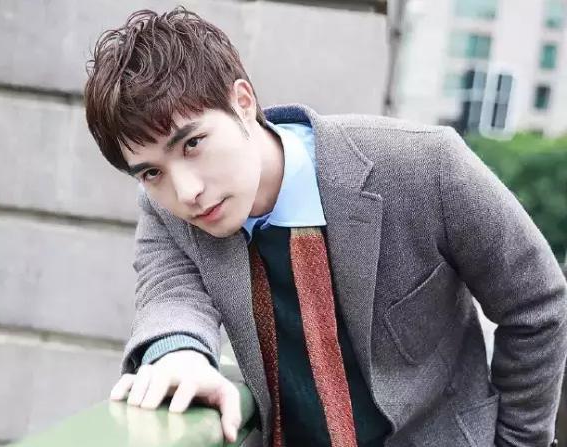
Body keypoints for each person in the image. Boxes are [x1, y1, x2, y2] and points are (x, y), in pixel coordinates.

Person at [83, 6, 567, 447]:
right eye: (151, 172)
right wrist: (179, 354)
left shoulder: (424, 164)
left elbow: (536, 299)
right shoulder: (166, 210)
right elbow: (169, 294)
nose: (186, 191)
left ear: (243, 102)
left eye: (193, 144)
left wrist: (517, 443)